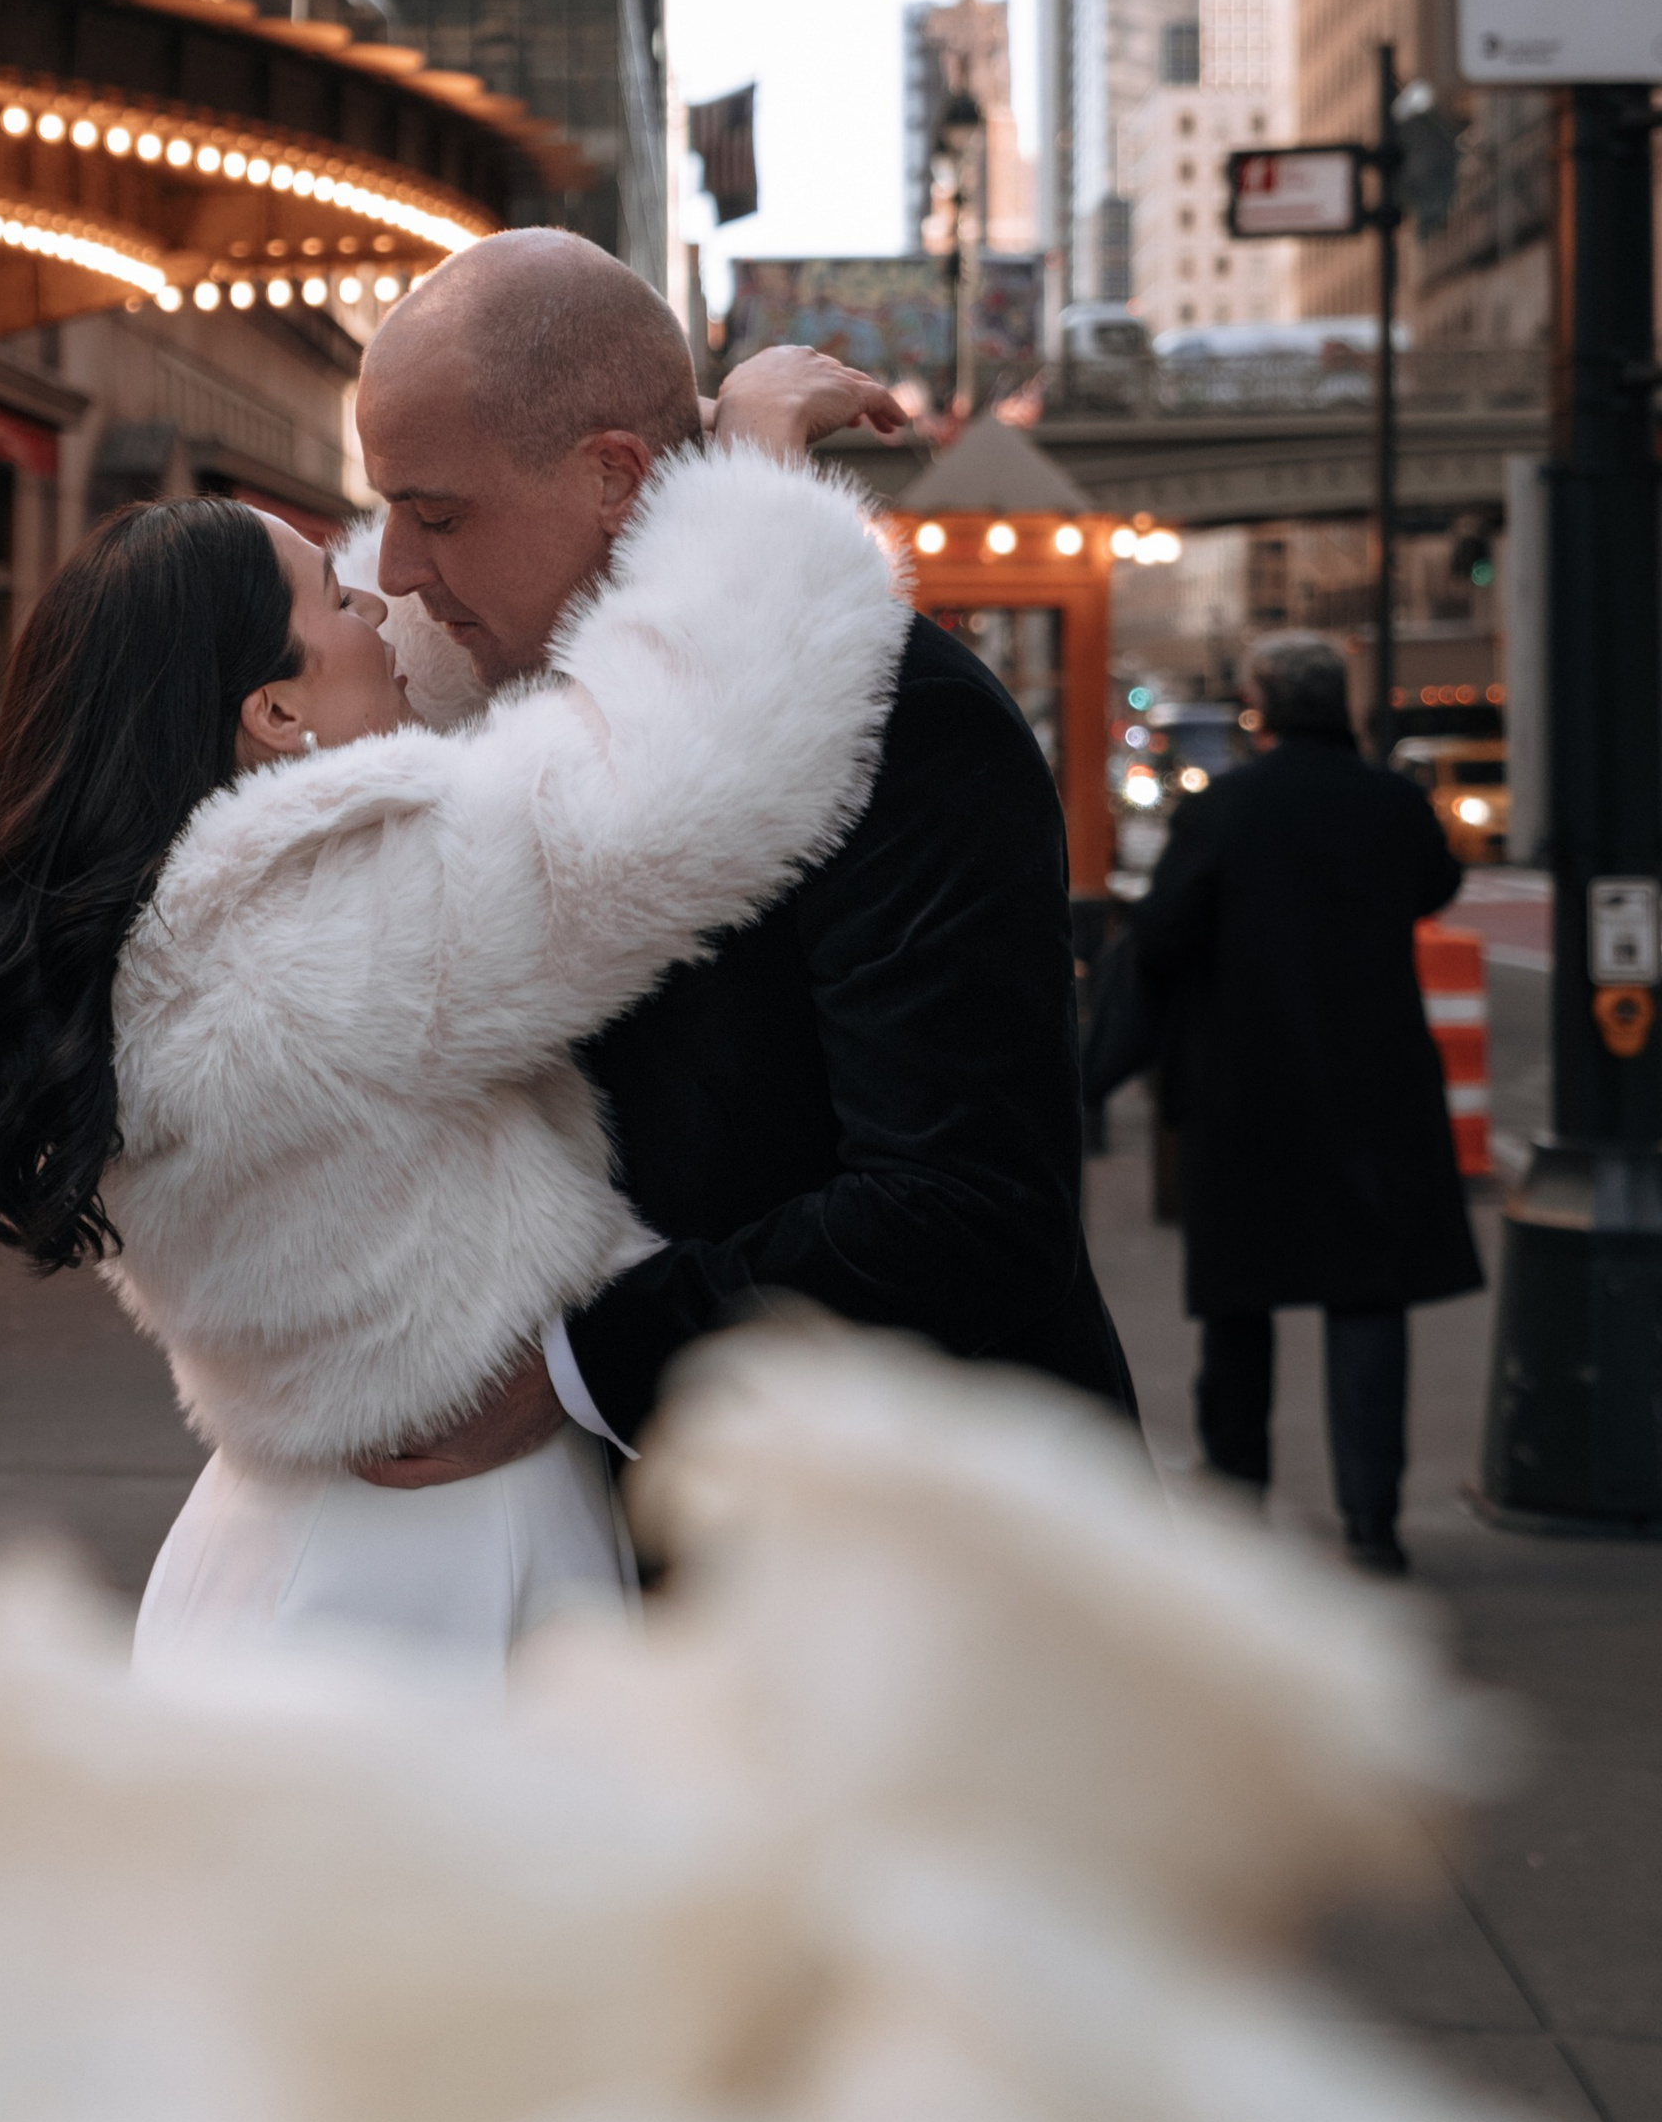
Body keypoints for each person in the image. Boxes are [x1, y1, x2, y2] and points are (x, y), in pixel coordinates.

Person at [0, 384, 910, 1677]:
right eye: (345, 596)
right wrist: (750, 478)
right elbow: (684, 778)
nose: (392, 600)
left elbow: (404, 673)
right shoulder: (330, 916)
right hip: (437, 1567)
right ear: (273, 712)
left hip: (291, 1539)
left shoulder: (171, 923)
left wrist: (480, 523)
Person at [343, 230, 1138, 1498]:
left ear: (614, 475)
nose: (395, 568)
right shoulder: (494, 709)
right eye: (387, 509)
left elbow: (966, 1213)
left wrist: (571, 1365)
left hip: (921, 1563)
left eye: (438, 514)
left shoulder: (898, 718)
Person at [1131, 631, 1479, 1575]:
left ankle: (1241, 1519)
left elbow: (1162, 930)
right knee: (1370, 1304)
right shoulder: (1391, 803)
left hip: (1250, 1089)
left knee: (1239, 1308)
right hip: (1375, 1088)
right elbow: (1436, 883)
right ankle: (1374, 1523)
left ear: (1264, 708)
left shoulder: (1228, 810)